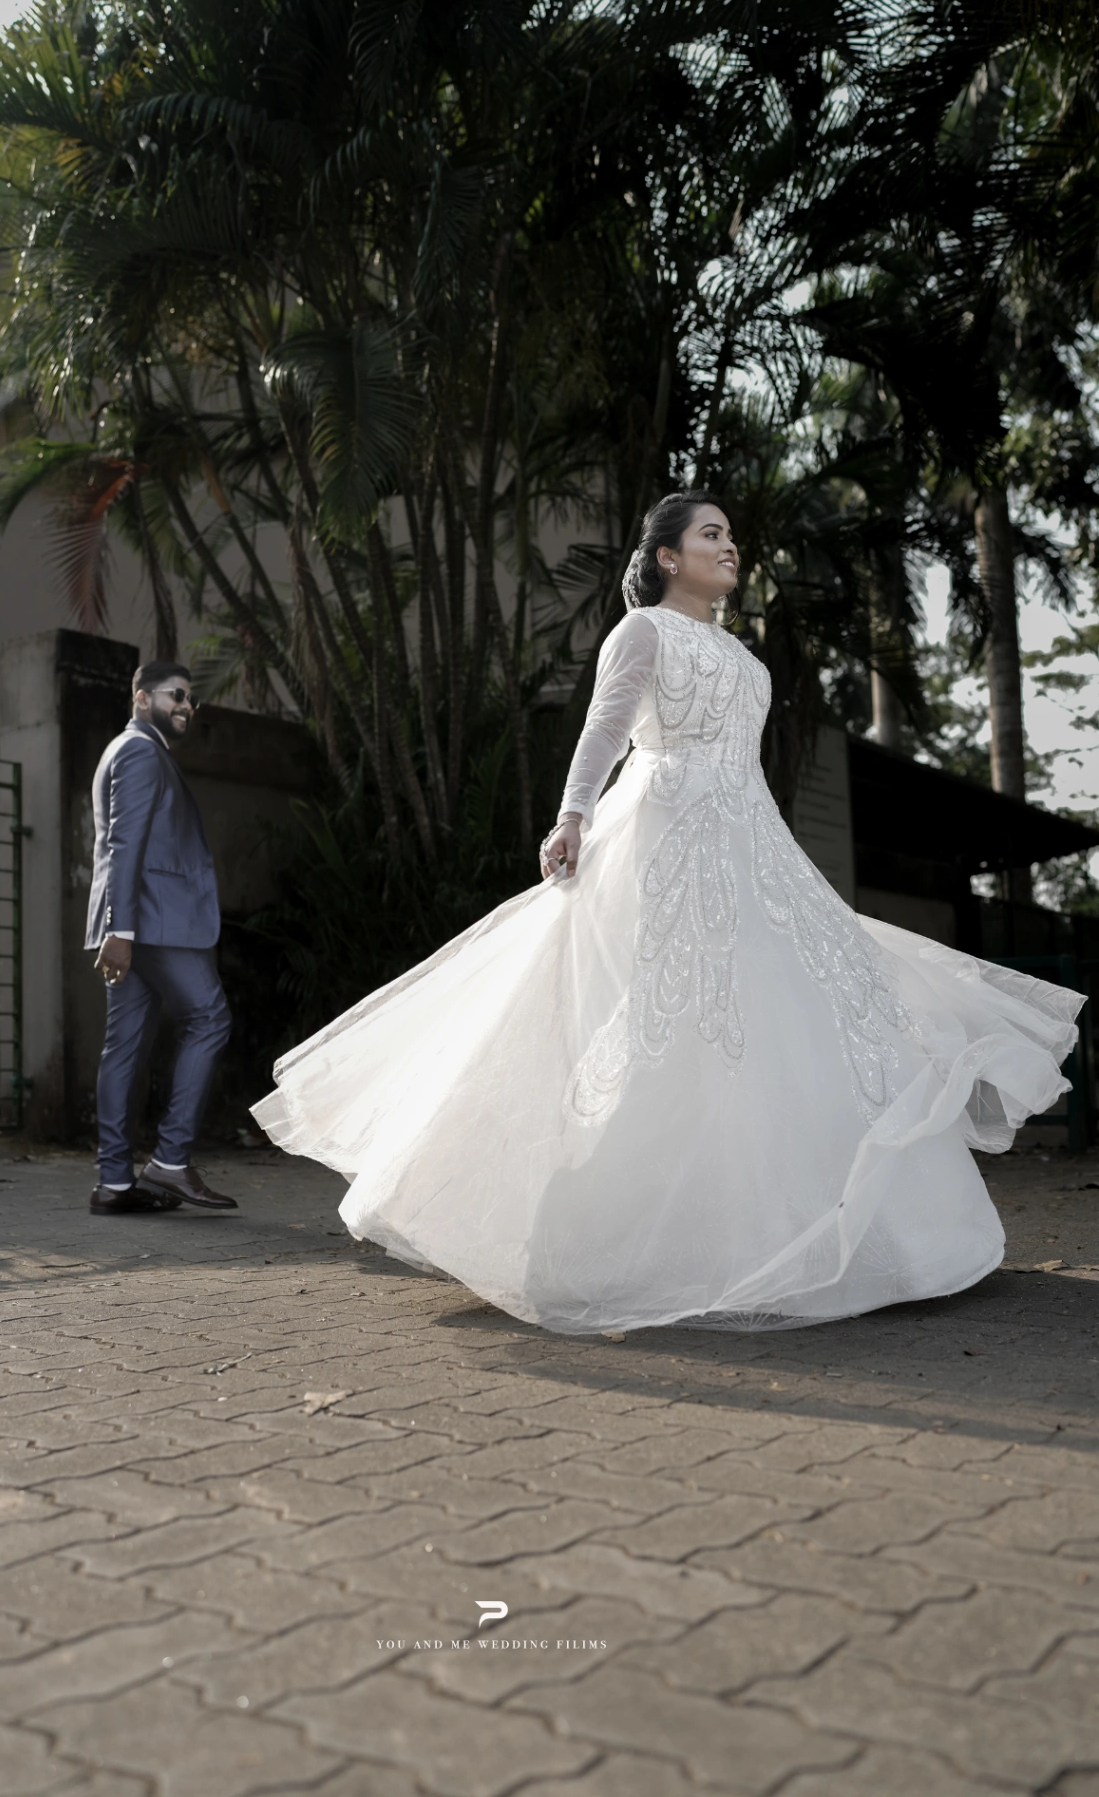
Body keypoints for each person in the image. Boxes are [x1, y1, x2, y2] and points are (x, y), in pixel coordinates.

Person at [251, 492, 1083, 1333]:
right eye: (711, 535)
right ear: (666, 558)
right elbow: (604, 729)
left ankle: (863, 1237)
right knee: (668, 1012)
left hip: (749, 839)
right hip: (664, 833)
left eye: (731, 534)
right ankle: (616, 1241)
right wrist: (572, 814)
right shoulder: (643, 632)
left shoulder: (737, 650)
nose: (730, 547)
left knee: (801, 1014)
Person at [86, 662, 237, 1216]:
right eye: (177, 696)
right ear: (142, 697)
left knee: (123, 1048)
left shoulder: (134, 751)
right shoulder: (139, 752)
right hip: (151, 923)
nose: (186, 706)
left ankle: (115, 1183)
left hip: (137, 923)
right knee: (210, 1016)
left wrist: (116, 929)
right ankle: (170, 1161)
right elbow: (124, 845)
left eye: (191, 699)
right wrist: (120, 931)